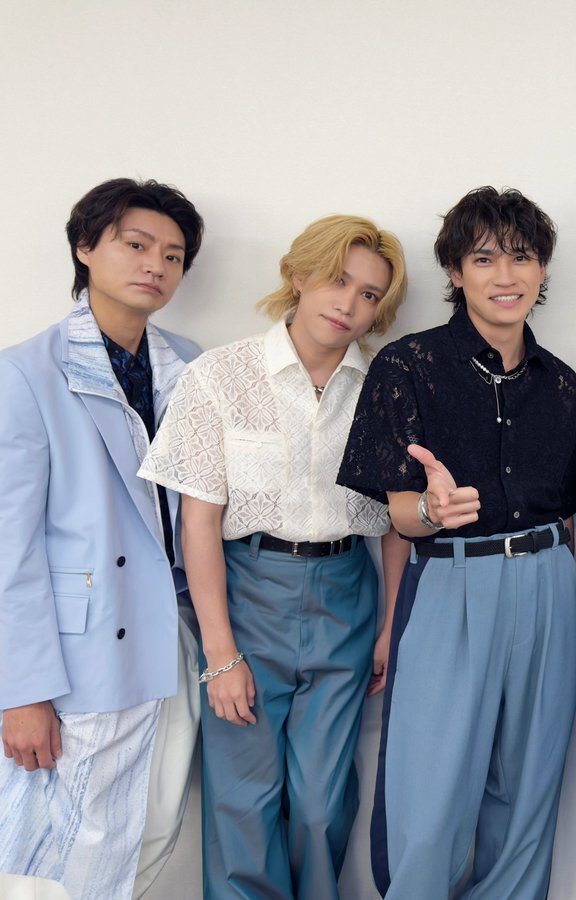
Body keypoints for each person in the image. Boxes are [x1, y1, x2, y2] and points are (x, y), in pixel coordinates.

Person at [139, 215, 408, 899]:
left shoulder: (384, 387)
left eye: (369, 294)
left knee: (321, 803)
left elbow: (396, 525)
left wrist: (389, 626)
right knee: (243, 799)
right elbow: (198, 522)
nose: (349, 304)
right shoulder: (219, 376)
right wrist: (221, 655)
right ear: (297, 275)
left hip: (347, 597)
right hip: (247, 595)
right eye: (337, 280)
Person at [337, 187, 576, 900]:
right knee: (428, 798)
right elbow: (398, 513)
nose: (505, 276)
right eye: (483, 259)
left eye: (522, 257)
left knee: (528, 792)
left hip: (548, 585)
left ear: (542, 270)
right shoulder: (407, 366)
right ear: (454, 271)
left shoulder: (566, 388)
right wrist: (432, 508)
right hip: (450, 582)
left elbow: (574, 511)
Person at [0, 177, 204, 899]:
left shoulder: (189, 364)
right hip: (79, 651)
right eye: (137, 245)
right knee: (62, 850)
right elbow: (11, 549)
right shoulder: (26, 373)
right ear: (86, 248)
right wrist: (22, 692)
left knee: (149, 830)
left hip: (172, 639)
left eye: (173, 256)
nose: (156, 265)